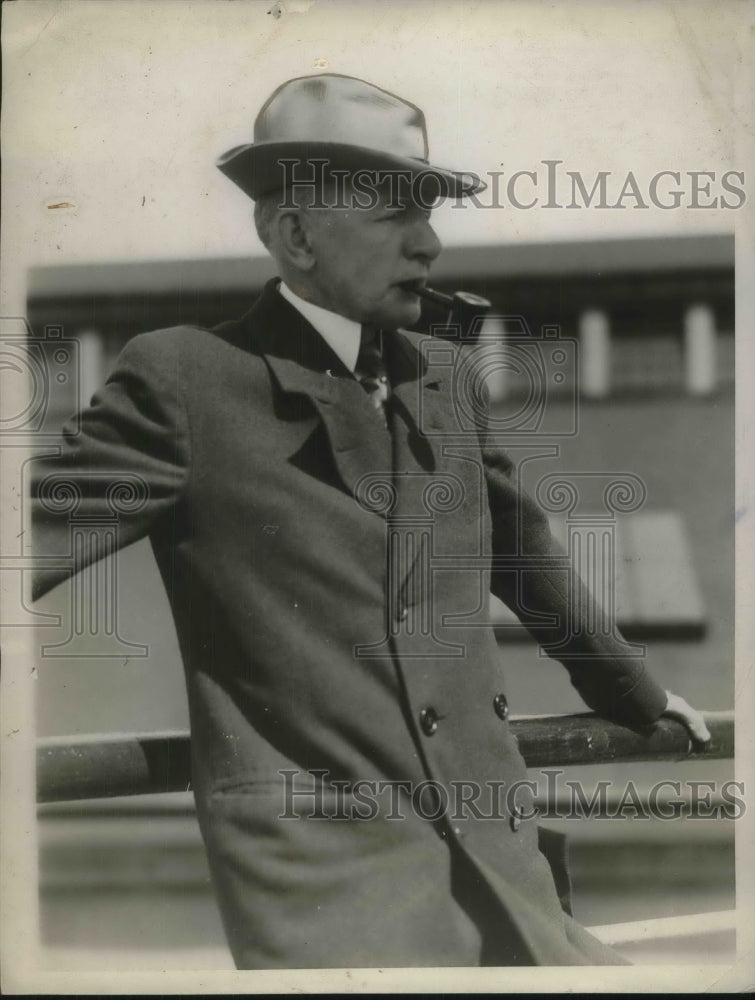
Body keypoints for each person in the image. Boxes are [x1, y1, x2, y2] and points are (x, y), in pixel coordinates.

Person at [31, 73, 710, 968]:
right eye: (396, 215)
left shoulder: (445, 372)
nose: (429, 245)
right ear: (295, 235)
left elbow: (522, 554)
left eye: (430, 213)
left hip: (502, 865)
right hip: (329, 891)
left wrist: (638, 697)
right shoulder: (185, 379)